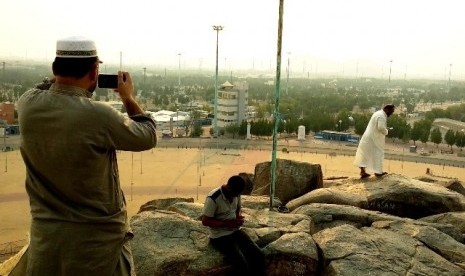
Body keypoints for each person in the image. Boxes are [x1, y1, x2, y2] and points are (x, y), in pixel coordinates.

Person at [18, 36, 157, 275]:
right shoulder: (98, 115)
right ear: (95, 72)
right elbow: (147, 135)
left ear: (54, 68)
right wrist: (128, 98)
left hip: (46, 240)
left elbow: (42, 87)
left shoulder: (27, 105)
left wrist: (62, 73)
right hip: (96, 244)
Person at [201, 175, 265, 275]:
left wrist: (238, 218)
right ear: (229, 188)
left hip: (235, 231)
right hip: (219, 236)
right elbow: (205, 221)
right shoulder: (213, 198)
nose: (236, 197)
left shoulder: (236, 193)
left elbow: (237, 209)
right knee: (242, 264)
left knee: (258, 255)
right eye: (235, 194)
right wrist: (227, 223)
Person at [354, 104, 395, 178]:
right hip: (374, 139)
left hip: (368, 137)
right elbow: (380, 128)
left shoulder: (377, 113)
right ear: (387, 110)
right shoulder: (382, 116)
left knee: (364, 154)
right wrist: (386, 131)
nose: (392, 113)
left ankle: (363, 172)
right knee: (378, 153)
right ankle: (378, 172)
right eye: (392, 111)